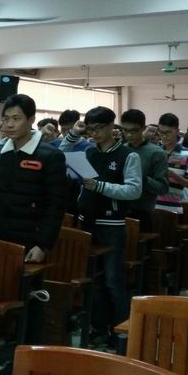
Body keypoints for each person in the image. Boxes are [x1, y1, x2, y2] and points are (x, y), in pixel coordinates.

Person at [61, 107, 142, 345]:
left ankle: (121, 333)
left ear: (110, 127)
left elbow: (134, 190)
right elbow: (60, 154)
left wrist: (100, 187)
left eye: (98, 129)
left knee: (112, 281)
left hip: (112, 225)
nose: (94, 134)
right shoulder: (89, 151)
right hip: (86, 221)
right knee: (93, 281)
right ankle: (99, 328)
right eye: (90, 129)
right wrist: (74, 133)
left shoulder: (128, 155)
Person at [0, 94, 67, 262]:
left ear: (31, 120)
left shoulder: (50, 156)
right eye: (6, 119)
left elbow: (56, 205)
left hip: (30, 238)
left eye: (16, 118)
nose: (9, 124)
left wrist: (43, 244)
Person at [120, 109, 169, 232]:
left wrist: (141, 177)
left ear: (143, 128)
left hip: (142, 213)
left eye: (134, 131)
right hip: (118, 210)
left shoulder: (157, 153)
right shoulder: (121, 150)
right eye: (125, 130)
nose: (129, 135)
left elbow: (163, 188)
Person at [155, 113, 188, 214]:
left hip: (173, 208)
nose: (164, 136)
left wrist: (173, 175)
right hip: (152, 205)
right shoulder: (155, 151)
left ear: (177, 131)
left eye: (168, 132)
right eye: (161, 132)